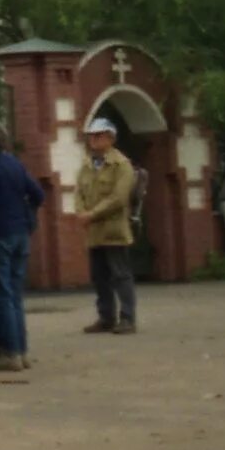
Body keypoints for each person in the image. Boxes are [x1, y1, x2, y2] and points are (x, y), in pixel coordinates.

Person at [0, 119, 46, 372]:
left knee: (2, 293)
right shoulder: (15, 162)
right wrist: (26, 213)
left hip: (0, 232)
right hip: (21, 232)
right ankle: (22, 351)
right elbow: (38, 193)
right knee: (15, 294)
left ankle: (11, 352)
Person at [77, 117, 139, 335]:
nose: (93, 139)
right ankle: (106, 317)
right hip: (94, 231)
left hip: (113, 229)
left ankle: (128, 318)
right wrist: (81, 211)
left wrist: (91, 214)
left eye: (98, 135)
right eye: (91, 135)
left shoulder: (122, 165)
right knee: (99, 276)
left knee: (120, 274)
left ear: (110, 138)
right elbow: (79, 192)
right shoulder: (87, 163)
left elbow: (119, 198)